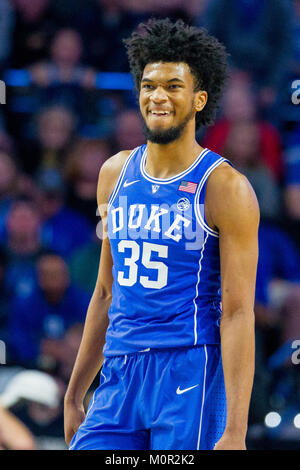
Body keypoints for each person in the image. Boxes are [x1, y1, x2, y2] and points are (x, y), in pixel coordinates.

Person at [64, 18, 259, 450]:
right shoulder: (113, 174)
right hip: (119, 370)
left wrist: (236, 431)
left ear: (198, 99)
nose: (158, 96)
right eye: (149, 85)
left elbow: (239, 312)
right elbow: (104, 292)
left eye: (173, 85)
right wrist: (75, 393)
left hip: (190, 369)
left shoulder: (226, 188)